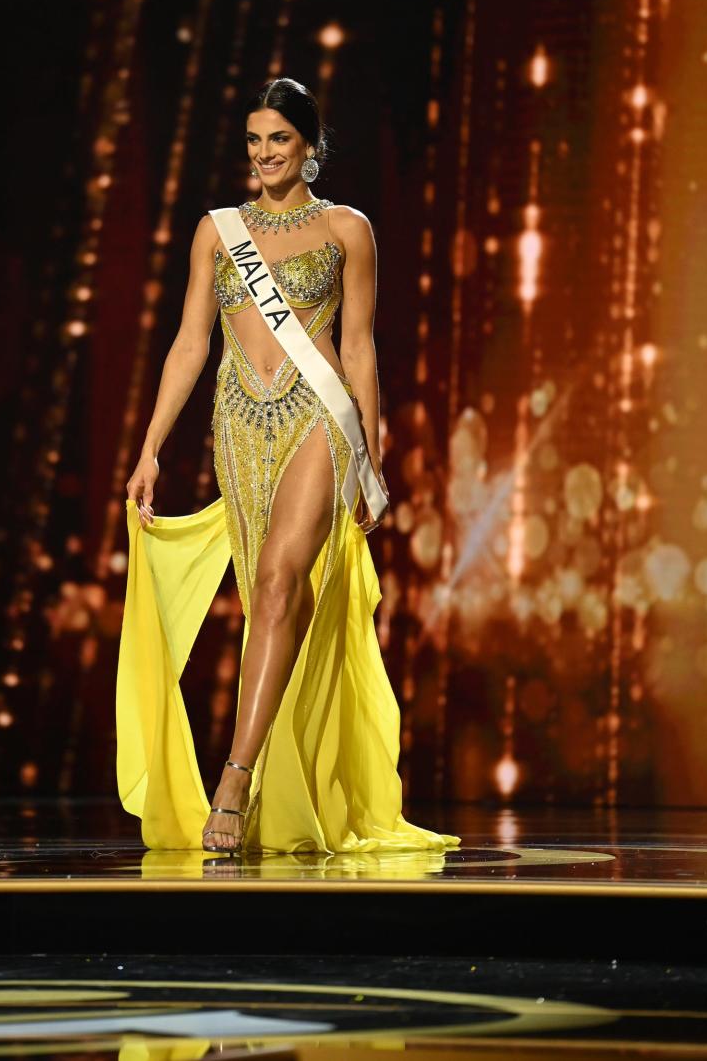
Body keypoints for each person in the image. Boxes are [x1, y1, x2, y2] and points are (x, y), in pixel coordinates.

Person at [118, 76, 459, 859]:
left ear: (308, 144)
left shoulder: (348, 229)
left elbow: (362, 342)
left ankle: (234, 778)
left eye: (279, 138)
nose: (264, 153)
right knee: (269, 597)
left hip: (317, 417)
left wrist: (367, 452)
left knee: (278, 580)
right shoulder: (217, 229)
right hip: (237, 425)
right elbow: (190, 343)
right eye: (253, 140)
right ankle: (279, 768)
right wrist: (150, 447)